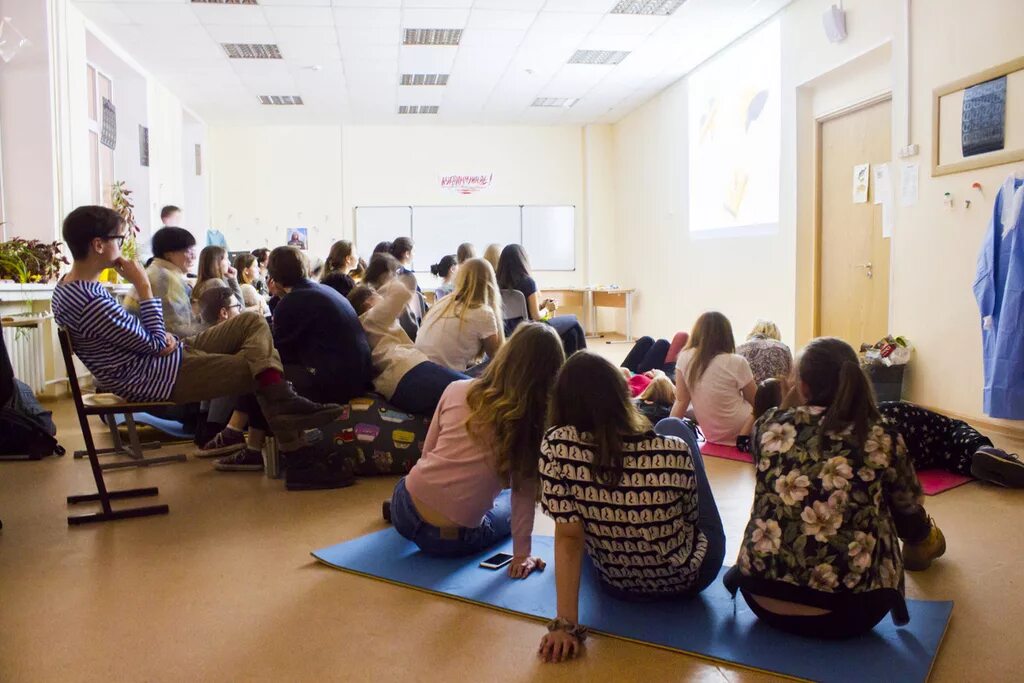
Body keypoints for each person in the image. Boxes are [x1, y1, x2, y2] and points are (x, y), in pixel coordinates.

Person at [51, 206, 343, 453]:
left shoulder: (69, 287)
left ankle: (280, 415)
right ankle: (296, 451)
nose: (123, 245)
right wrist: (143, 286)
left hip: (166, 358)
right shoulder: (89, 299)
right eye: (119, 238)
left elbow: (144, 337)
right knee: (259, 369)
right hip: (157, 375)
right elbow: (153, 341)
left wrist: (158, 337)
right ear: (99, 245)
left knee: (251, 322)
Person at [725, 337, 946, 640]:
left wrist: (791, 400)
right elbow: (905, 506)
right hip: (850, 613)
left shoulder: (767, 426)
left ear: (802, 386)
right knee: (883, 506)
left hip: (761, 600)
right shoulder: (881, 435)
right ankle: (927, 541)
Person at [537, 352, 726, 663]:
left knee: (573, 526)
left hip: (616, 583)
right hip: (688, 579)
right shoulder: (673, 451)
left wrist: (565, 625)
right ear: (621, 395)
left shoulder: (555, 445)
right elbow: (691, 519)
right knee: (674, 425)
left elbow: (569, 537)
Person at [389, 323, 565, 568]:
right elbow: (522, 498)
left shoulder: (455, 388)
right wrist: (522, 555)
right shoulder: (528, 428)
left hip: (405, 509)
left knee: (425, 477)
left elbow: (427, 454)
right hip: (452, 540)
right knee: (506, 501)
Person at [754, 380, 1024, 488]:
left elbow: (752, 431)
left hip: (881, 447)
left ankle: (974, 460)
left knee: (942, 451)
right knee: (951, 429)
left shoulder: (769, 435)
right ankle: (980, 450)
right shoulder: (802, 417)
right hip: (889, 423)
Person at [349, 280, 468, 415]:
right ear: (368, 303)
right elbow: (402, 292)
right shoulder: (372, 317)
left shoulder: (364, 328)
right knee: (475, 390)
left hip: (395, 390)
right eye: (377, 296)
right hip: (409, 370)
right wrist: (387, 285)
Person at [670, 312, 756, 446]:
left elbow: (681, 401)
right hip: (743, 428)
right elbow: (756, 401)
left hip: (712, 434)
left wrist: (668, 437)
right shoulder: (736, 361)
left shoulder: (684, 357)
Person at [416, 258, 504, 372]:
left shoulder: (443, 302)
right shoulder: (483, 313)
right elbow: (496, 356)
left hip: (420, 370)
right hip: (446, 378)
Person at [496, 244, 586, 355]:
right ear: (522, 260)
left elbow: (519, 310)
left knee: (572, 332)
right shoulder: (528, 282)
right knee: (574, 321)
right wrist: (547, 308)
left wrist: (541, 306)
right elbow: (536, 316)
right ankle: (582, 364)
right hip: (530, 330)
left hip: (507, 330)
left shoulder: (496, 284)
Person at [125, 227, 199, 337]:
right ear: (168, 253)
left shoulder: (158, 271)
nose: (194, 256)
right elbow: (174, 328)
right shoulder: (164, 278)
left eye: (194, 251)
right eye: (188, 251)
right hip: (161, 347)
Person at [364, 253, 420, 341]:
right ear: (387, 274)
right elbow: (411, 329)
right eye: (396, 272)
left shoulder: (364, 293)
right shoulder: (388, 298)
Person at [192, 245, 243, 323]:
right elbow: (240, 309)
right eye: (226, 259)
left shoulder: (201, 285)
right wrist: (233, 280)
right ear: (216, 262)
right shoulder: (216, 283)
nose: (229, 262)